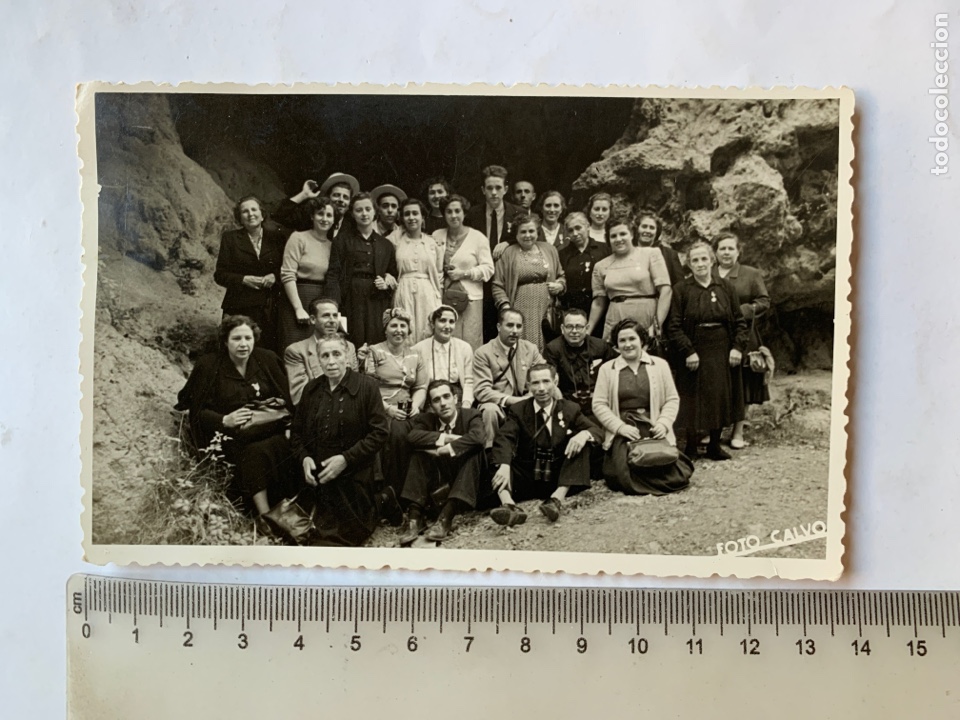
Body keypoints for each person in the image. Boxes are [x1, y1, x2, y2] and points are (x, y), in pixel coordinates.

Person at [175, 316, 295, 520]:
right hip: (230, 436)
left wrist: (289, 425)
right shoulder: (209, 366)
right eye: (236, 338)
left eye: (248, 338)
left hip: (269, 429)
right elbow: (196, 410)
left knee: (285, 446)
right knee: (254, 453)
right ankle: (265, 516)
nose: (243, 344)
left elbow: (287, 398)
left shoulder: (266, 359)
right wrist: (224, 420)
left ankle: (291, 508)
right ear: (225, 341)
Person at [290, 334, 391, 546]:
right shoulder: (312, 389)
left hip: (355, 472)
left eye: (336, 354)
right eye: (325, 356)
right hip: (319, 474)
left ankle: (380, 500)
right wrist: (305, 459)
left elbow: (379, 432)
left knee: (340, 536)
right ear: (318, 360)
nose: (331, 361)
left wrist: (345, 459)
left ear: (347, 356)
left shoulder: (367, 387)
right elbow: (297, 432)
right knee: (301, 531)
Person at [488, 363, 603, 526]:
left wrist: (583, 434)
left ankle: (555, 500)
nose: (541, 388)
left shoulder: (569, 408)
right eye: (535, 383)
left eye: (546, 381)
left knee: (582, 444)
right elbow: (505, 437)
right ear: (528, 386)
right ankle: (509, 505)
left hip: (558, 476)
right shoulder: (518, 409)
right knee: (495, 456)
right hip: (529, 474)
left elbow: (597, 431)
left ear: (555, 382)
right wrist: (505, 465)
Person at [592, 319, 694, 496]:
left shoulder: (659, 365)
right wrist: (620, 427)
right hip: (625, 429)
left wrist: (663, 424)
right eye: (622, 341)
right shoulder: (607, 369)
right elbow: (599, 404)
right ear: (616, 346)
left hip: (652, 425)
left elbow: (671, 399)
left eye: (632, 339)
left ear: (643, 342)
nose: (628, 344)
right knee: (623, 474)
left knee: (675, 472)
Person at [668, 241, 748, 461]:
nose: (700, 264)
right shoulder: (682, 289)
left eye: (704, 259)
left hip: (721, 348)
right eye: (695, 260)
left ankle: (714, 444)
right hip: (694, 348)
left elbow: (740, 321)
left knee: (718, 395)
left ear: (712, 260)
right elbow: (674, 326)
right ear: (689, 265)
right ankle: (691, 446)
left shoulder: (725, 287)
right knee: (693, 395)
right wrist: (688, 351)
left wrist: (737, 348)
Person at [398, 380, 486, 545]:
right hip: (439, 484)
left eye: (446, 397)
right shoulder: (427, 420)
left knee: (475, 451)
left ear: (455, 398)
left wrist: (448, 448)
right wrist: (446, 438)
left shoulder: (471, 415)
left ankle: (446, 518)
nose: (443, 403)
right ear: (431, 406)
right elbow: (412, 436)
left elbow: (478, 438)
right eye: (437, 400)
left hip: (468, 485)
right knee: (419, 454)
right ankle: (415, 518)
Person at [714, 231, 771, 449]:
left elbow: (764, 301)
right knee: (718, 382)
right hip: (715, 336)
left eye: (731, 248)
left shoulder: (751, 274)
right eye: (722, 248)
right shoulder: (708, 273)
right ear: (715, 252)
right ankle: (714, 430)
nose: (726, 252)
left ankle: (737, 432)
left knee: (742, 383)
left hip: (745, 335)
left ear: (738, 252)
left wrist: (741, 311)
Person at [364, 308, 429, 498]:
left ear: (409, 330)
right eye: (394, 325)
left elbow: (420, 386)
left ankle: (416, 492)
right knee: (396, 434)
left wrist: (415, 405)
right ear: (385, 329)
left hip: (407, 407)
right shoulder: (374, 352)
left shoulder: (415, 355)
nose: (398, 330)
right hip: (380, 407)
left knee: (419, 431)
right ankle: (392, 490)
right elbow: (368, 387)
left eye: (403, 326)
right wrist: (388, 409)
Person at [213, 196, 286, 353]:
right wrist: (242, 279)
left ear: (262, 214)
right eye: (244, 211)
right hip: (239, 305)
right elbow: (220, 274)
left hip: (269, 307)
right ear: (239, 217)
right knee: (236, 351)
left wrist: (275, 276)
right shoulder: (230, 238)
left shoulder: (276, 237)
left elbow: (287, 267)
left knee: (266, 353)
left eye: (254, 209)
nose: (250, 214)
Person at [326, 192, 398, 347]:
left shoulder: (385, 245)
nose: (364, 214)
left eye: (368, 209)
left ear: (375, 212)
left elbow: (393, 273)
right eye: (359, 210)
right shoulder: (342, 240)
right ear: (352, 213)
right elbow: (333, 274)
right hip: (351, 296)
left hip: (377, 298)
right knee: (353, 337)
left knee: (376, 337)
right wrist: (334, 305)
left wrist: (387, 281)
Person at [587, 217, 672, 344]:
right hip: (615, 318)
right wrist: (587, 330)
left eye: (623, 234)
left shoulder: (650, 254)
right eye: (613, 236)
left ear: (632, 234)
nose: (618, 239)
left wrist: (657, 324)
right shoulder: (601, 266)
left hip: (645, 316)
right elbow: (599, 302)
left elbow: (666, 290)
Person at [464, 165, 523, 340]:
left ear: (505, 189)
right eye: (490, 188)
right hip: (481, 280)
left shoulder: (518, 213)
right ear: (483, 190)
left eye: (498, 187)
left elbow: (529, 238)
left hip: (508, 279)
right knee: (484, 327)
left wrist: (508, 242)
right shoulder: (473, 215)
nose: (494, 192)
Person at [473, 308, 546, 448]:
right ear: (499, 327)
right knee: (489, 410)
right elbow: (482, 390)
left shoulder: (530, 349)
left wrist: (532, 394)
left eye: (519, 326)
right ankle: (491, 455)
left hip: (526, 403)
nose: (515, 330)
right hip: (499, 406)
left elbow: (545, 374)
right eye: (510, 325)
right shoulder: (483, 353)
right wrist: (514, 401)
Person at [491, 213, 566, 351]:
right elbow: (497, 285)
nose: (527, 235)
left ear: (537, 232)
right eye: (523, 232)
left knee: (547, 344)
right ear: (516, 234)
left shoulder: (550, 250)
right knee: (521, 346)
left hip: (545, 308)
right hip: (519, 307)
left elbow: (561, 275)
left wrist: (560, 285)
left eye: (531, 231)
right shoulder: (508, 253)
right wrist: (506, 307)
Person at [433, 194, 494, 349]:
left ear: (464, 213)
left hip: (471, 298)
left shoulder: (478, 238)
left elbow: (488, 269)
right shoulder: (436, 235)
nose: (453, 215)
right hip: (443, 297)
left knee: (470, 341)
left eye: (457, 211)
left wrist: (464, 273)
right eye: (449, 211)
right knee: (445, 338)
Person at [278, 197, 338, 351]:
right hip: (297, 298)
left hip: (320, 302)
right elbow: (287, 274)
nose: (324, 219)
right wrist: (298, 308)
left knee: (319, 348)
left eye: (329, 215)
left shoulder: (333, 246)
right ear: (312, 216)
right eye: (320, 214)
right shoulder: (298, 238)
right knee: (294, 347)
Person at [543, 308, 618, 417]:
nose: (574, 331)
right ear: (562, 328)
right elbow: (550, 381)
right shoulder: (553, 348)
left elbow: (617, 369)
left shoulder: (600, 346)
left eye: (579, 326)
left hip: (599, 403)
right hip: (567, 404)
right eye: (569, 326)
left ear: (586, 328)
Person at [284, 297, 358, 405]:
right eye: (326, 316)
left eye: (335, 315)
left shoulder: (349, 346)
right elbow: (300, 398)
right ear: (313, 319)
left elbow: (356, 386)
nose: (332, 320)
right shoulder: (296, 351)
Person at [393, 197, 443, 342]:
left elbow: (439, 273)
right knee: (405, 330)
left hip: (428, 290)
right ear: (402, 218)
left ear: (422, 217)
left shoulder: (433, 243)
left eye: (415, 213)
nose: (411, 217)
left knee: (427, 331)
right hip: (404, 290)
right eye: (407, 214)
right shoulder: (396, 241)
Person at [412, 305, 476, 408]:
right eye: (442, 321)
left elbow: (469, 381)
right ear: (433, 324)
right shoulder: (418, 349)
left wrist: (466, 403)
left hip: (456, 395)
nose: (447, 326)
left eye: (451, 322)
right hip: (431, 396)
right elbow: (417, 385)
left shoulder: (464, 347)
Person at [557, 211, 611, 316]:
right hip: (572, 310)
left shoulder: (604, 249)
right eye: (570, 230)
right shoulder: (562, 254)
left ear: (587, 226)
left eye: (578, 228)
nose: (575, 234)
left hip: (601, 309)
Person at [272, 173, 360, 237]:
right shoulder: (310, 216)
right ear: (327, 198)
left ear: (349, 202)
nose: (341, 200)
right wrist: (304, 195)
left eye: (345, 197)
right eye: (336, 195)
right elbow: (280, 217)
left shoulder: (353, 226)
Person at [635, 210, 685, 286]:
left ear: (657, 232)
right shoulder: (627, 252)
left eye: (652, 228)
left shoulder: (670, 255)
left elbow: (680, 285)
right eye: (644, 226)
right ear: (637, 229)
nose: (647, 231)